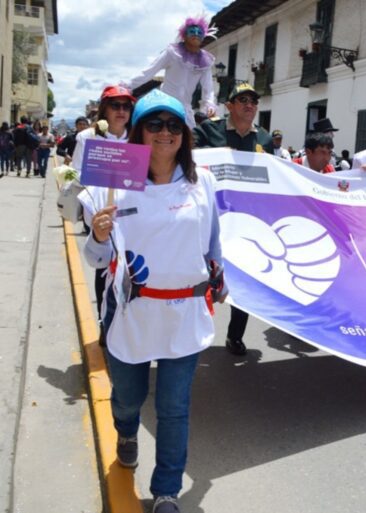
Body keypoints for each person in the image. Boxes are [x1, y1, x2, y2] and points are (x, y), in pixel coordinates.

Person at [79, 89, 225, 513]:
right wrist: (100, 235)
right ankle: (125, 431)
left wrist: (220, 276)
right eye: (155, 124)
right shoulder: (114, 187)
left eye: (174, 125)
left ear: (184, 134)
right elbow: (97, 259)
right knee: (127, 398)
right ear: (140, 131)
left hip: (184, 317)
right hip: (133, 314)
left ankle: (166, 491)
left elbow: (213, 245)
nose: (165, 133)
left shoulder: (203, 182)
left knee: (174, 408)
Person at [194, 81, 271, 356]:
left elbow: (274, 180)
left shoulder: (264, 139)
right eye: (243, 100)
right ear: (230, 106)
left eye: (253, 101)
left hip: (246, 219)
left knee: (246, 276)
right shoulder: (207, 130)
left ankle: (235, 336)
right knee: (202, 273)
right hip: (210, 216)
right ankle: (192, 332)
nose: (249, 105)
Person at [72, 84, 136, 344]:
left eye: (126, 106)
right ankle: (105, 323)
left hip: (131, 214)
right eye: (115, 105)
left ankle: (127, 322)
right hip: (100, 215)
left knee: (129, 268)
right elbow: (76, 175)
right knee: (104, 271)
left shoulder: (137, 137)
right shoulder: (88, 137)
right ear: (104, 109)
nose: (121, 111)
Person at [123, 16, 217, 128]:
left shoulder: (204, 61)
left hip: (185, 109)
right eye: (192, 31)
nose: (196, 34)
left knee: (189, 140)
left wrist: (209, 104)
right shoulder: (172, 53)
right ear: (184, 35)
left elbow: (208, 88)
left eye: (199, 32)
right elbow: (149, 71)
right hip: (164, 104)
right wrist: (125, 86)